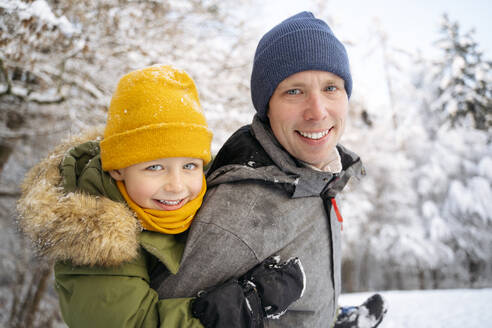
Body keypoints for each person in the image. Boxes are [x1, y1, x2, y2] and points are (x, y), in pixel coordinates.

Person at [17, 65, 305, 327]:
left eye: (189, 165)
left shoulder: (180, 198)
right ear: (118, 170)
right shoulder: (94, 239)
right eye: (155, 167)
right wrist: (242, 307)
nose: (177, 185)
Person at [153, 12, 386, 328]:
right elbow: (160, 317)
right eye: (294, 91)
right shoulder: (244, 209)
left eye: (331, 87)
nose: (317, 112)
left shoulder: (318, 177)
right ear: (267, 106)